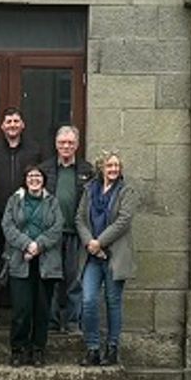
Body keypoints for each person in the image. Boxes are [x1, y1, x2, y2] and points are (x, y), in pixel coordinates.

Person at [76, 151, 136, 367]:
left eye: (116, 166)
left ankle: (112, 348)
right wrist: (90, 243)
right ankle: (92, 348)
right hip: (92, 257)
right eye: (109, 166)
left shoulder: (126, 191)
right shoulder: (89, 190)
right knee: (89, 300)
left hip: (114, 256)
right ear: (101, 168)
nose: (113, 169)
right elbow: (79, 218)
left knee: (113, 302)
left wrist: (99, 242)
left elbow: (123, 221)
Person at [0, 108, 45, 291]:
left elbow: (41, 179)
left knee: (23, 261)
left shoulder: (34, 150)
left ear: (22, 125)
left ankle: (20, 311)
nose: (12, 125)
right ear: (2, 126)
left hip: (26, 216)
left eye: (16, 121)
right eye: (9, 122)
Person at [1, 164, 63, 366]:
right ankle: (18, 349)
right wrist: (27, 244)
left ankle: (38, 350)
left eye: (38, 176)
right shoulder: (15, 200)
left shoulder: (52, 202)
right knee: (22, 310)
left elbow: (57, 227)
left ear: (43, 180)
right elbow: (7, 226)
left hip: (46, 264)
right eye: (30, 176)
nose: (34, 179)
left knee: (42, 309)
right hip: (20, 261)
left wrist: (39, 245)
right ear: (25, 179)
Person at [44, 124, 92, 332]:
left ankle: (73, 322)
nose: (66, 146)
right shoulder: (44, 169)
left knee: (74, 280)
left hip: (77, 234)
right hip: (51, 234)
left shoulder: (87, 171)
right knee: (52, 279)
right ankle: (52, 322)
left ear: (77, 145)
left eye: (70, 143)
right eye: (62, 142)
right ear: (56, 144)